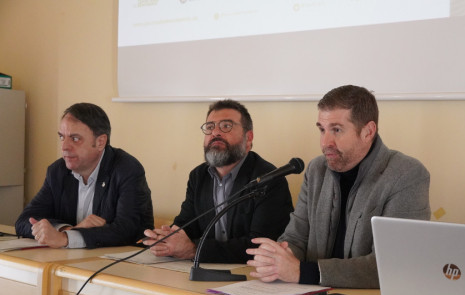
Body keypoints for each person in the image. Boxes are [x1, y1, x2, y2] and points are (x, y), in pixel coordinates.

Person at [246, 85, 431, 288]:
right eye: (322, 129)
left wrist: (302, 271)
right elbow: (296, 237)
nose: (325, 142)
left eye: (336, 130)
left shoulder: (407, 175)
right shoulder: (316, 170)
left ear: (368, 131)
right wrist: (278, 259)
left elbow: (393, 264)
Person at [143, 99, 294, 263]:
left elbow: (261, 246)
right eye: (210, 127)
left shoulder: (269, 178)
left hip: (252, 275)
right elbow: (187, 225)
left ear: (248, 137)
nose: (215, 133)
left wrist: (194, 250)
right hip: (206, 271)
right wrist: (166, 238)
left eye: (226, 126)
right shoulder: (198, 176)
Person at [15, 103, 154, 248]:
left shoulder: (126, 169)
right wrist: (65, 231)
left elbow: (128, 231)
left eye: (75, 139)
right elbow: (24, 221)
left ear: (100, 142)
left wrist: (66, 238)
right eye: (62, 137)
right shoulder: (58, 171)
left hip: (118, 265)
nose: (64, 147)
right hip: (70, 262)